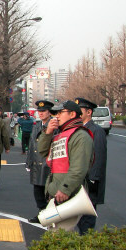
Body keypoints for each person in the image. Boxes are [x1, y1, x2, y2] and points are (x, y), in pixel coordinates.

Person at [37, 100, 94, 231]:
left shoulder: (81, 136)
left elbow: (78, 168)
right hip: (58, 193)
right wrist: (48, 132)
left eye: (60, 113)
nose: (56, 116)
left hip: (68, 195)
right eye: (55, 113)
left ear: (72, 114)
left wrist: (65, 189)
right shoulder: (60, 134)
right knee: (55, 233)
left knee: (60, 234)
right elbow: (42, 151)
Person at [75, 97, 107, 234]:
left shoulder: (96, 130)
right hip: (79, 182)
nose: (76, 114)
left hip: (89, 182)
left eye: (79, 111)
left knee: (87, 221)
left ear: (89, 112)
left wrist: (93, 179)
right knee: (79, 219)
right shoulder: (79, 129)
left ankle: (86, 247)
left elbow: (98, 157)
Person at [26, 100, 55, 223]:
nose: (41, 113)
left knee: (48, 190)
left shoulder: (54, 125)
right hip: (36, 162)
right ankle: (41, 213)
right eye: (39, 111)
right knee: (37, 189)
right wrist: (28, 162)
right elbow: (32, 145)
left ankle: (50, 215)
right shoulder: (37, 126)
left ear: (49, 112)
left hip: (47, 162)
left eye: (44, 111)